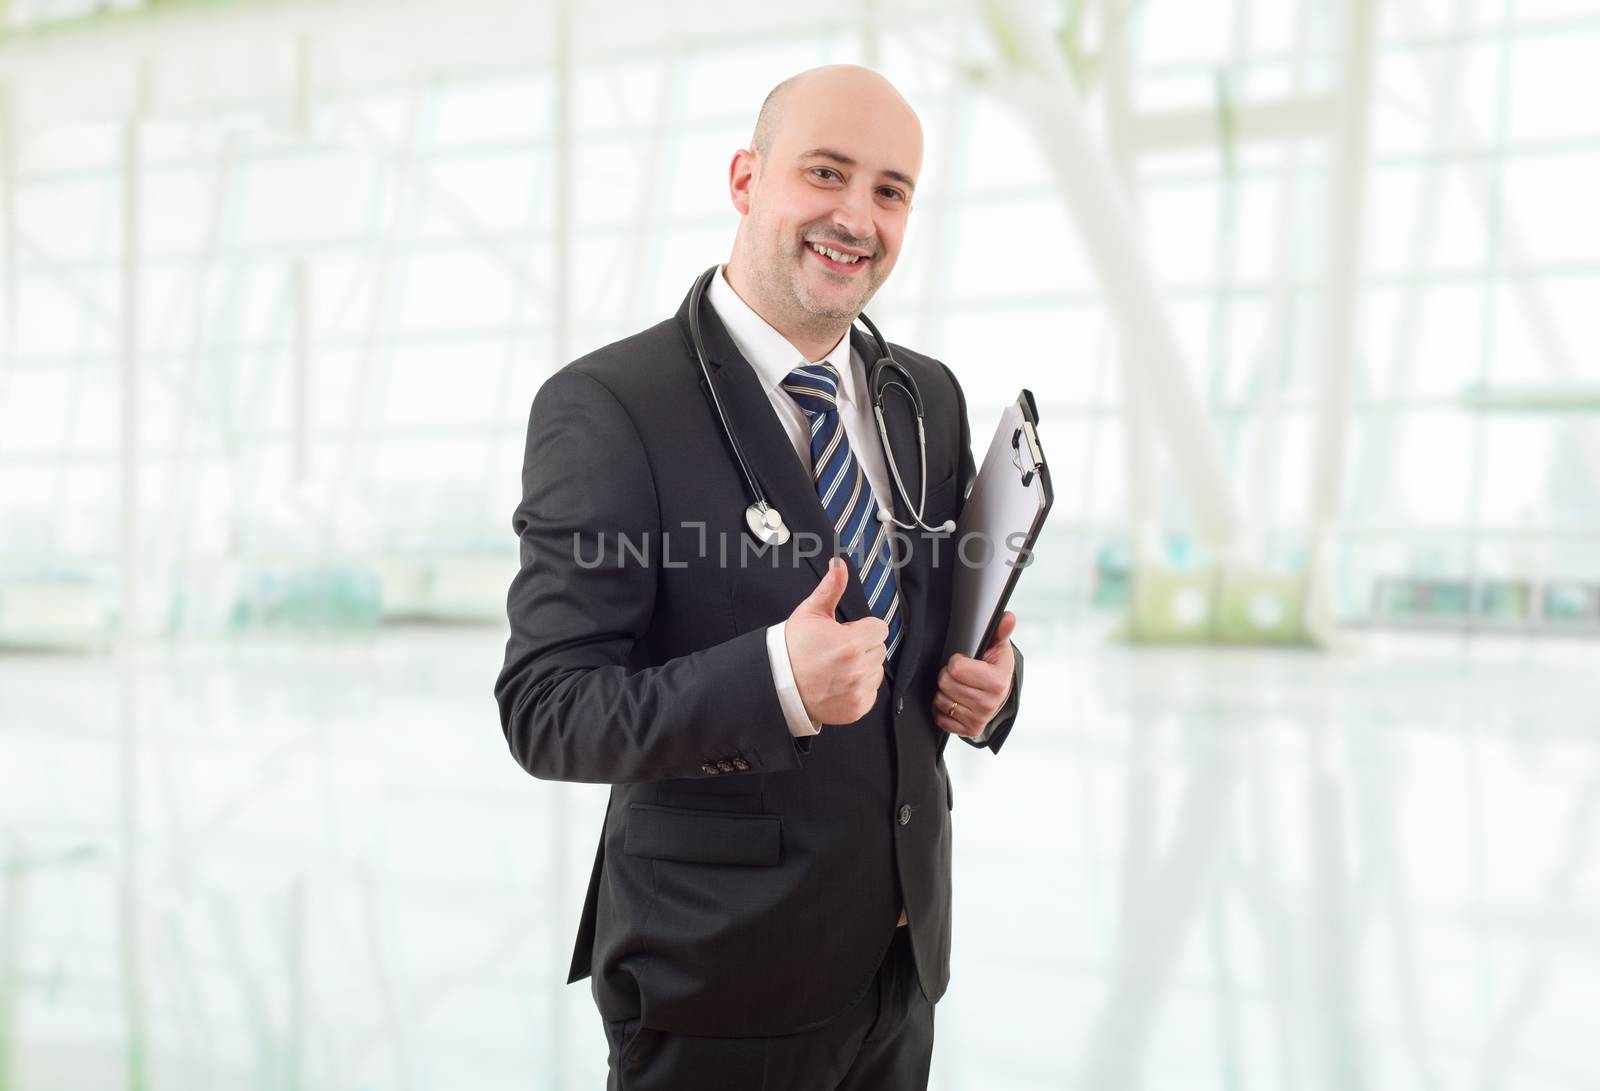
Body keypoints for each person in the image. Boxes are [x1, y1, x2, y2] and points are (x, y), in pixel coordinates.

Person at [494, 64, 1024, 1090]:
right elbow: (545, 708)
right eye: (824, 173)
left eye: (889, 189)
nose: (855, 216)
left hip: (898, 967)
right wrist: (777, 677)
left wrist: (990, 688)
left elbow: (940, 631)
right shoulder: (610, 407)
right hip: (719, 984)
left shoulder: (928, 396)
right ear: (745, 179)